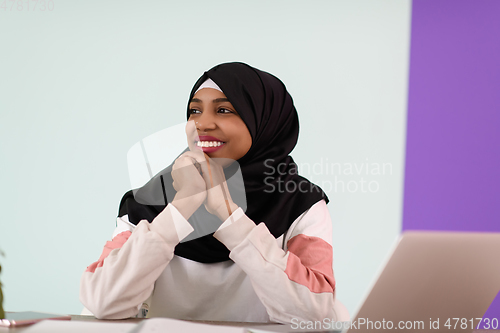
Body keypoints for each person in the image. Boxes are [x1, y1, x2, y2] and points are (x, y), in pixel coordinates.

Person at [79, 62, 349, 323]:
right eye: (194, 111)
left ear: (264, 122)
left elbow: (316, 314)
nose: (202, 124)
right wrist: (180, 208)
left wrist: (230, 217)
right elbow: (103, 301)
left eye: (223, 110)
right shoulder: (145, 202)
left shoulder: (299, 203)